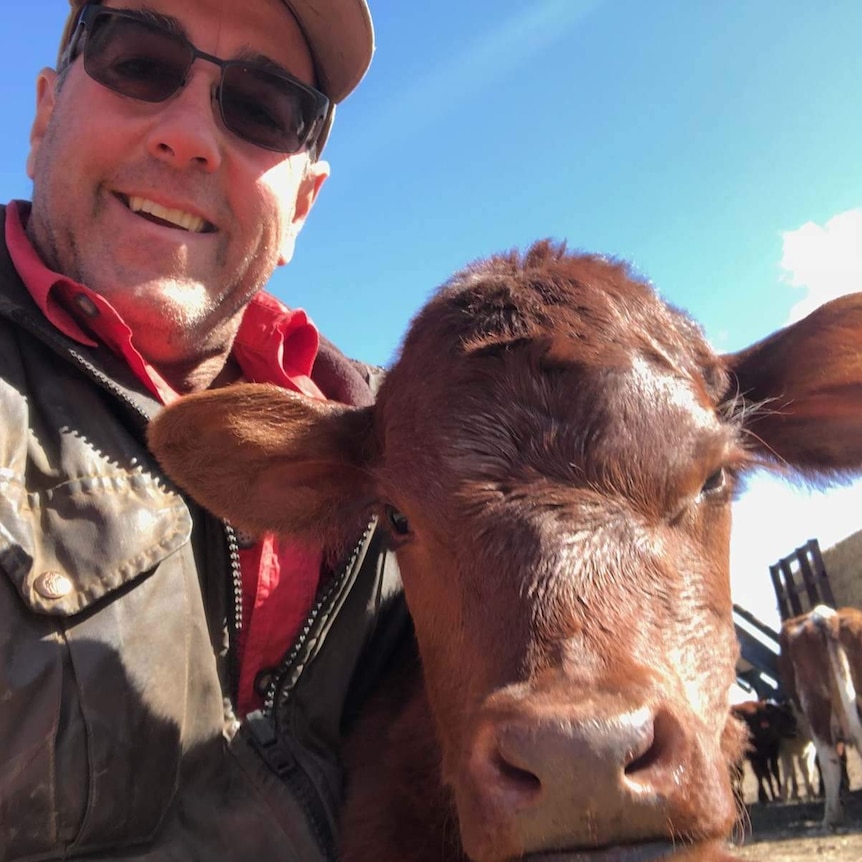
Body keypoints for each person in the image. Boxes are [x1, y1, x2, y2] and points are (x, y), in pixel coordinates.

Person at [0, 1, 407, 859]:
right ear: (43, 114)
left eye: (263, 108)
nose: (188, 136)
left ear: (302, 206)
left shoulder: (402, 447)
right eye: (139, 60)